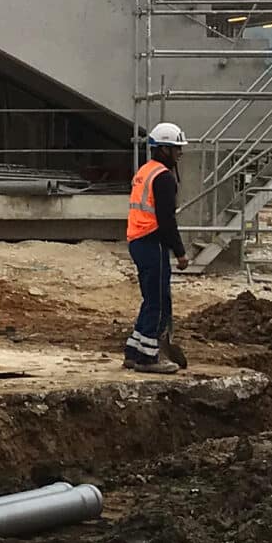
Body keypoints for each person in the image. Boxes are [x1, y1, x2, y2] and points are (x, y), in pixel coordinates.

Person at [124, 120, 188, 373]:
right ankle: (148, 358)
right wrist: (180, 252)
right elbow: (166, 220)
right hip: (152, 241)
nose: (180, 154)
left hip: (138, 240)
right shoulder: (162, 178)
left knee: (150, 298)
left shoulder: (144, 171)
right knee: (159, 301)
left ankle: (133, 350)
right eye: (177, 149)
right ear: (164, 149)